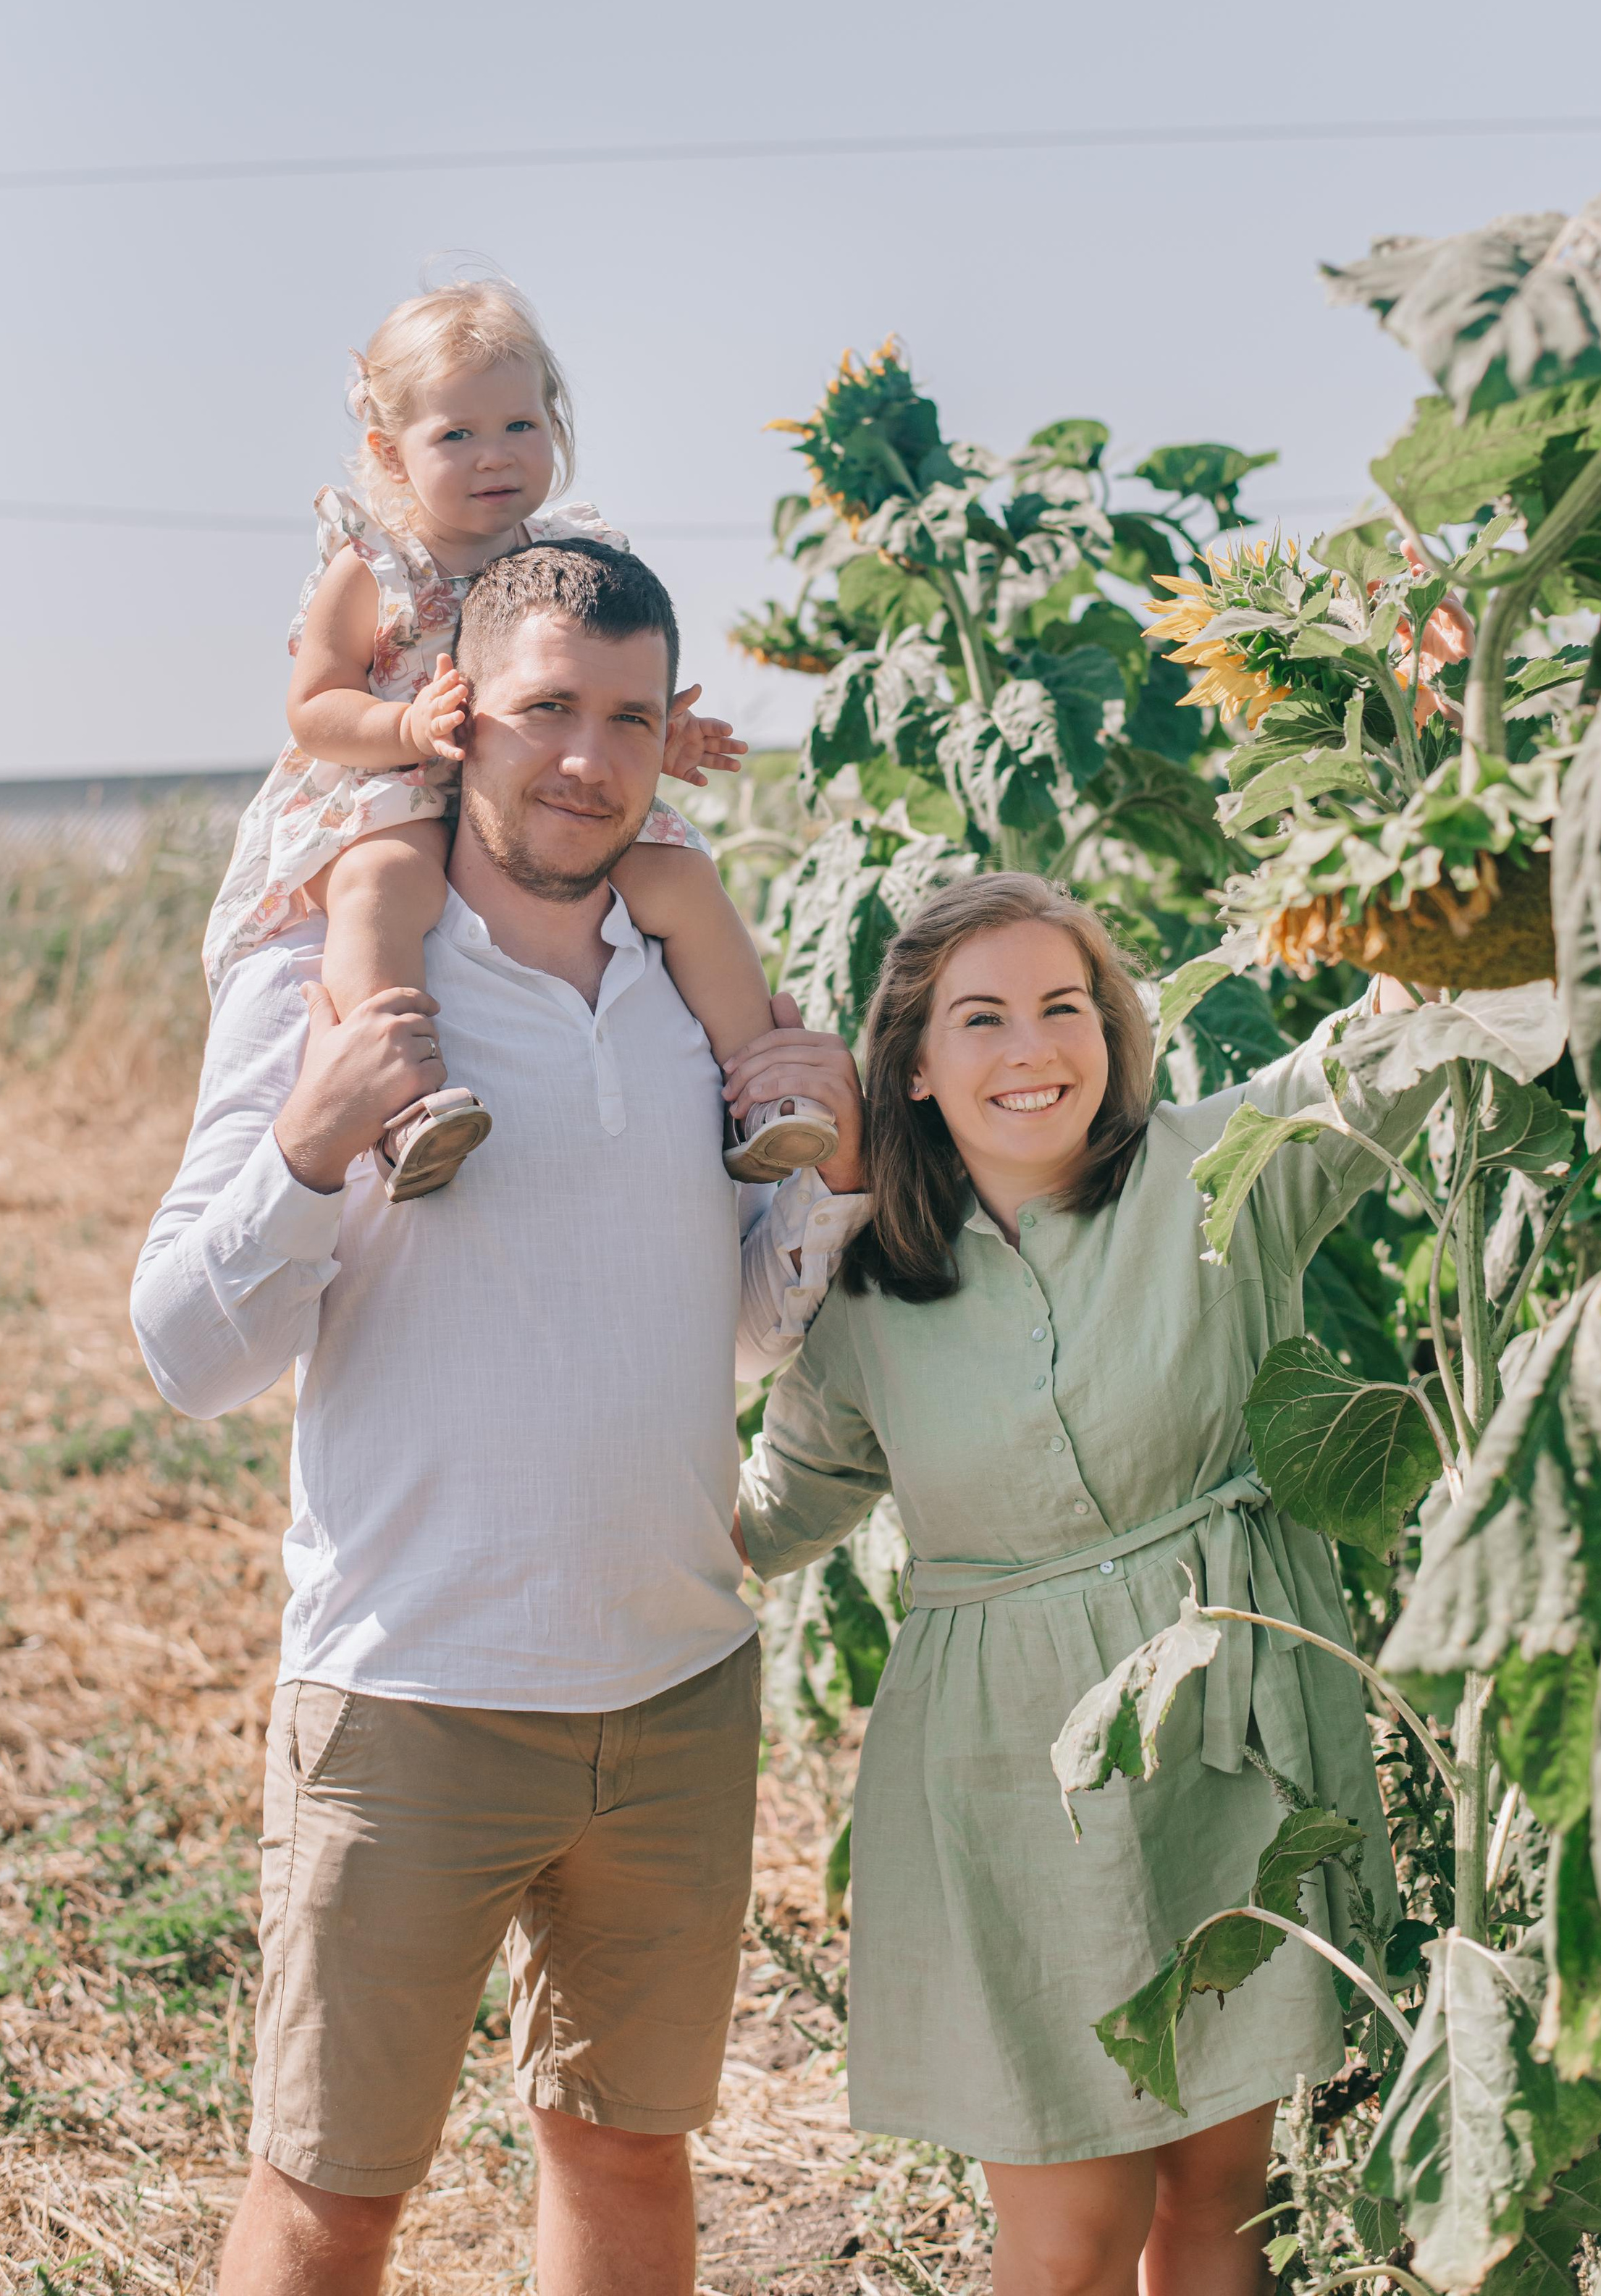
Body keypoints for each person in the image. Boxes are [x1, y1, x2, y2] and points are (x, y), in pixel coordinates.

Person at [133, 537, 868, 2296]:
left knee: (625, 2162)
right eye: (545, 705)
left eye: (628, 714)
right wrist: (311, 1148)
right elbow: (182, 1350)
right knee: (329, 2196)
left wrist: (830, 1174)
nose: (585, 757)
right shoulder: (330, 973)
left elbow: (753, 1328)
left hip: (675, 1685)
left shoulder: (698, 993)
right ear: (459, 711)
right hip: (408, 1694)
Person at [736, 875, 1442, 2296]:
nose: (1030, 1050)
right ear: (915, 1067)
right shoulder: (866, 1286)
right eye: (980, 1019)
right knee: (1066, 2235)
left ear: (1114, 1032)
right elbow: (783, 1503)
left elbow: (1382, 1065)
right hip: (1007, 1785)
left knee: (1223, 2205)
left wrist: (1449, 885)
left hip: (1229, 1737)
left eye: (1065, 1008)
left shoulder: (1216, 1167)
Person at [203, 276, 838, 1199]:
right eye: (456, 435)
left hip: (546, 787)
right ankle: (400, 1099)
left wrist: (661, 733)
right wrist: (403, 724)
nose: (493, 456)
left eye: (520, 428)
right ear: (391, 450)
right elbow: (314, 705)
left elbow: (597, 688)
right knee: (381, 885)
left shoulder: (567, 554)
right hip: (407, 782)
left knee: (682, 879)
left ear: (556, 426)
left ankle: (762, 1090)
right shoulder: (375, 566)